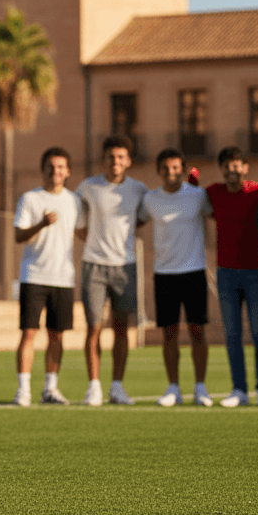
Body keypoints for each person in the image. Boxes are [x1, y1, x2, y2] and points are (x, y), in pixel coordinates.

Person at [76, 136, 149, 406]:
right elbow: (77, 219)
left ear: (128, 161)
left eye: (120, 157)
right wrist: (95, 242)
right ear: (103, 160)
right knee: (94, 327)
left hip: (125, 267)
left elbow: (142, 217)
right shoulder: (88, 187)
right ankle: (94, 386)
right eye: (110, 157)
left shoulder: (139, 189)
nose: (115, 161)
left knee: (121, 329)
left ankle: (117, 386)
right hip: (93, 265)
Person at [139, 149, 214, 407]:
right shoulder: (150, 199)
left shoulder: (198, 195)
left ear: (182, 170)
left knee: (197, 332)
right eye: (166, 169)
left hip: (194, 272)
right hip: (164, 275)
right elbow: (135, 221)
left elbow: (215, 216)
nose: (171, 173)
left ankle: (200, 388)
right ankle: (173, 388)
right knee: (168, 334)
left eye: (176, 168)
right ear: (158, 171)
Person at [11, 147, 83, 407]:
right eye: (51, 166)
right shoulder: (30, 199)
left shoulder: (75, 201)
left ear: (68, 171)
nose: (56, 171)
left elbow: (83, 232)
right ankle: (24, 390)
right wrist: (41, 224)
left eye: (61, 167)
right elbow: (18, 236)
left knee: (57, 336)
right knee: (29, 333)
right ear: (43, 170)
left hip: (64, 278)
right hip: (34, 276)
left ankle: (50, 389)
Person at [204, 146, 258, 407]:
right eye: (227, 166)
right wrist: (192, 177)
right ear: (222, 169)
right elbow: (198, 198)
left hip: (257, 271)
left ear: (245, 168)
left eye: (237, 165)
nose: (232, 170)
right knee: (232, 334)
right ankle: (239, 390)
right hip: (226, 274)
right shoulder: (214, 193)